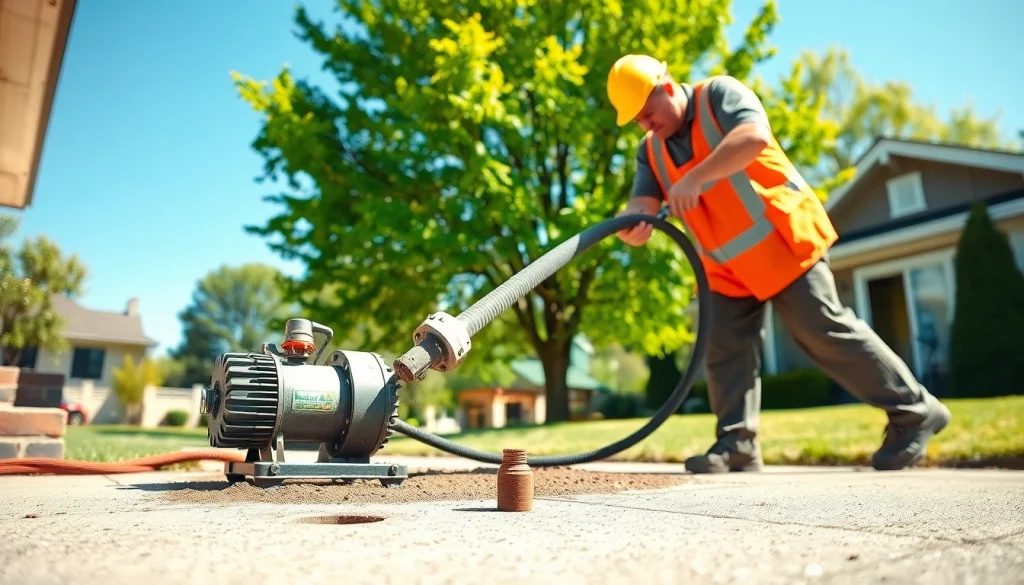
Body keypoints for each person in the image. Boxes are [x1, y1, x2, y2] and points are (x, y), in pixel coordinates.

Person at [605, 54, 951, 473]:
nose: (646, 124)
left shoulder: (719, 95)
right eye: (637, 120)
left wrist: (696, 177)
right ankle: (737, 443)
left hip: (782, 241)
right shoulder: (651, 152)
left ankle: (915, 411)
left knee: (824, 332)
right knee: (725, 350)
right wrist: (632, 225)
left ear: (666, 84)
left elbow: (753, 137)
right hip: (726, 267)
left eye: (648, 111)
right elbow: (642, 202)